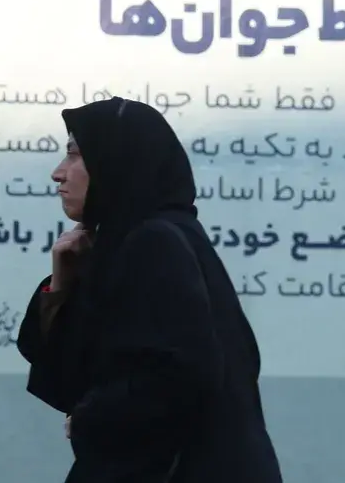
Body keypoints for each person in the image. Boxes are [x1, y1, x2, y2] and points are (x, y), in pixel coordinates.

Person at [17, 96, 284, 482]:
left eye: (75, 155)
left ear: (117, 160)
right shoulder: (125, 242)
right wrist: (61, 286)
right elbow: (66, 378)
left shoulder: (155, 241)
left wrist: (93, 418)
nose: (58, 173)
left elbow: (180, 373)